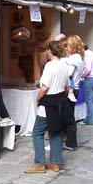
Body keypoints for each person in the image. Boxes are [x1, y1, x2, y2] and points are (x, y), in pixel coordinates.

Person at [25, 41, 70, 173]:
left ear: (50, 51)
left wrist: (37, 98)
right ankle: (56, 162)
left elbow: (45, 87)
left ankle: (39, 163)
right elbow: (67, 87)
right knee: (55, 132)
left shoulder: (50, 66)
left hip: (48, 103)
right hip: (59, 102)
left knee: (37, 132)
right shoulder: (63, 65)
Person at [63, 35, 85, 151]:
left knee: (69, 117)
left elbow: (68, 73)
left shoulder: (73, 59)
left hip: (71, 89)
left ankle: (71, 142)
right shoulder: (79, 58)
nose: (66, 48)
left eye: (67, 45)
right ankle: (70, 141)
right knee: (70, 116)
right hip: (76, 88)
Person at [81, 45, 93, 125]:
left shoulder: (86, 55)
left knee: (89, 100)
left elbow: (88, 69)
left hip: (90, 79)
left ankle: (90, 120)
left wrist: (81, 74)